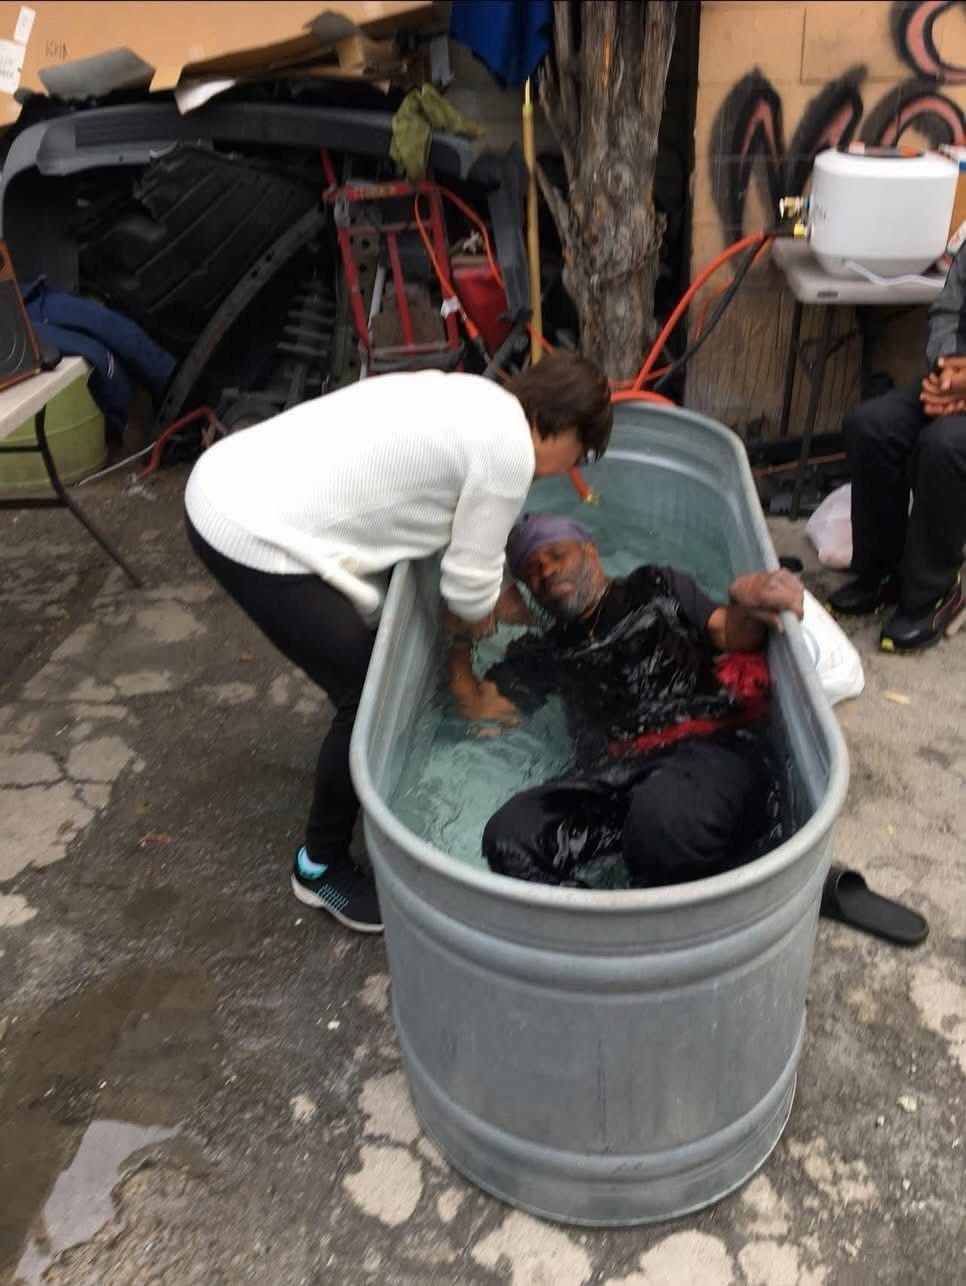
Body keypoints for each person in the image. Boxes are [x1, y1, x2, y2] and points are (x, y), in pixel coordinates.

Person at [185, 356, 612, 932]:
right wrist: (490, 624)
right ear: (561, 429)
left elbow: (451, 551)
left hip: (233, 473)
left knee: (368, 652)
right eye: (579, 457)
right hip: (248, 530)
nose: (567, 471)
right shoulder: (509, 453)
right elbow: (465, 591)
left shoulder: (478, 399)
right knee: (365, 698)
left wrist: (487, 600)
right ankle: (319, 866)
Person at [449, 514, 803, 889]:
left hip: (705, 751)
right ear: (528, 590)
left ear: (590, 551)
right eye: (532, 571)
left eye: (556, 555)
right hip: (612, 777)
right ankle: (596, 924)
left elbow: (732, 634)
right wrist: (460, 637)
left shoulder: (653, 587)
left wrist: (743, 600)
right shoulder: (543, 649)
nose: (547, 571)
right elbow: (481, 709)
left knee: (661, 818)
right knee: (510, 836)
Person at [828, 246, 966, 650]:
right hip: (957, 378)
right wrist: (947, 371)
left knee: (944, 447)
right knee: (871, 427)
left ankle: (934, 593)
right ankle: (883, 571)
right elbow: (949, 310)